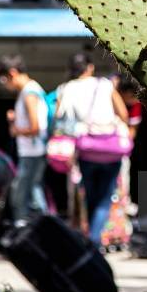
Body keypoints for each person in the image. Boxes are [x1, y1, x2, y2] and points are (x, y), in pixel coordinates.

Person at [56, 54, 128, 246]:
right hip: (110, 150)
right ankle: (94, 241)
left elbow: (59, 120)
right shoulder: (105, 84)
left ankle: (91, 238)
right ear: (89, 67)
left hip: (86, 151)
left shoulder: (66, 88)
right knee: (105, 199)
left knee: (90, 196)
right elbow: (123, 114)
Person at [0, 55, 48, 226]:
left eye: (4, 80)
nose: (5, 84)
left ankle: (35, 229)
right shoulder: (30, 91)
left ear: (12, 73)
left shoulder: (29, 93)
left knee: (23, 194)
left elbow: (35, 127)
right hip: (33, 151)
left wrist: (15, 128)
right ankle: (42, 229)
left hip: (32, 152)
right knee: (31, 191)